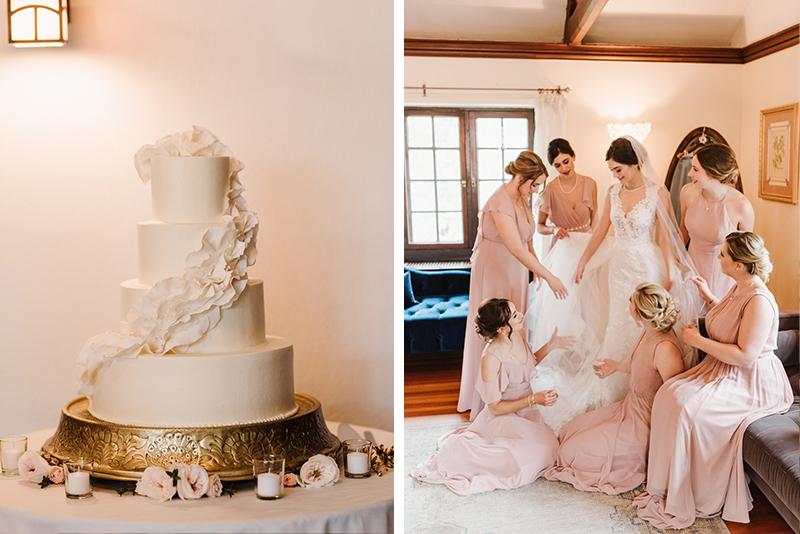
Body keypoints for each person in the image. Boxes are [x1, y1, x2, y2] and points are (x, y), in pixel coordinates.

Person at [533, 136, 702, 433]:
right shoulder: (612, 192)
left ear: (635, 164)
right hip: (619, 268)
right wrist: (584, 259)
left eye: (619, 170)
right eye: (612, 171)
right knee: (619, 321)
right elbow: (600, 230)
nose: (615, 176)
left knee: (645, 325)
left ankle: (645, 387)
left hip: (647, 265)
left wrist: (670, 271)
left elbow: (665, 235)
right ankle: (614, 389)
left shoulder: (657, 192)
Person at [634, 232, 793, 529]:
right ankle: (665, 484)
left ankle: (691, 491)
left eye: (723, 255)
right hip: (722, 370)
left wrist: (696, 340)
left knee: (687, 409)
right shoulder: (739, 288)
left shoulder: (759, 300)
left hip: (751, 383)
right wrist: (710, 298)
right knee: (670, 392)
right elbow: (735, 322)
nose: (718, 259)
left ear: (740, 265)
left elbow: (746, 354)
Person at [412, 298, 571, 495]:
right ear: (503, 329)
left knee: (550, 447)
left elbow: (528, 363)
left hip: (527, 412)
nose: (520, 315)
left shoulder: (517, 334)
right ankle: (463, 452)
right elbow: (495, 406)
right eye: (514, 315)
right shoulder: (491, 358)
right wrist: (533, 399)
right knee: (539, 453)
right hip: (503, 416)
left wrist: (552, 344)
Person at [544, 283, 684, 495]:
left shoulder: (666, 348)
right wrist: (615, 367)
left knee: (568, 453)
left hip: (644, 423)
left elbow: (675, 397)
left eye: (631, 300)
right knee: (567, 431)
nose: (628, 302)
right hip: (627, 408)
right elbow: (639, 364)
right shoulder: (648, 331)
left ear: (640, 312)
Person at [458, 151, 568, 420]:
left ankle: (516, 389)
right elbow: (516, 248)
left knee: (516, 324)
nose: (535, 191)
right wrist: (550, 276)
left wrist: (538, 270)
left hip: (517, 269)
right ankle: (488, 398)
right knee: (498, 324)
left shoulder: (522, 198)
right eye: (534, 185)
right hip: (496, 268)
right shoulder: (499, 204)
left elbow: (528, 239)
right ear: (520, 178)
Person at [527, 139, 597, 356]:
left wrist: (590, 240)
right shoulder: (550, 189)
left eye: (566, 161)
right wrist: (554, 229)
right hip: (564, 249)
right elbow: (539, 227)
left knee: (590, 301)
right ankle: (562, 351)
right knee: (565, 303)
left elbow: (595, 221)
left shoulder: (590, 183)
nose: (564, 168)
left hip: (587, 247)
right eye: (558, 165)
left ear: (573, 156)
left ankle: (587, 352)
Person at [680, 144, 754, 300]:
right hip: (690, 271)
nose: (689, 173)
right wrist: (677, 266)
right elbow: (683, 233)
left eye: (695, 169)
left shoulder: (741, 206)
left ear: (712, 172)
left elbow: (747, 256)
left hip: (723, 277)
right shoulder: (687, 193)